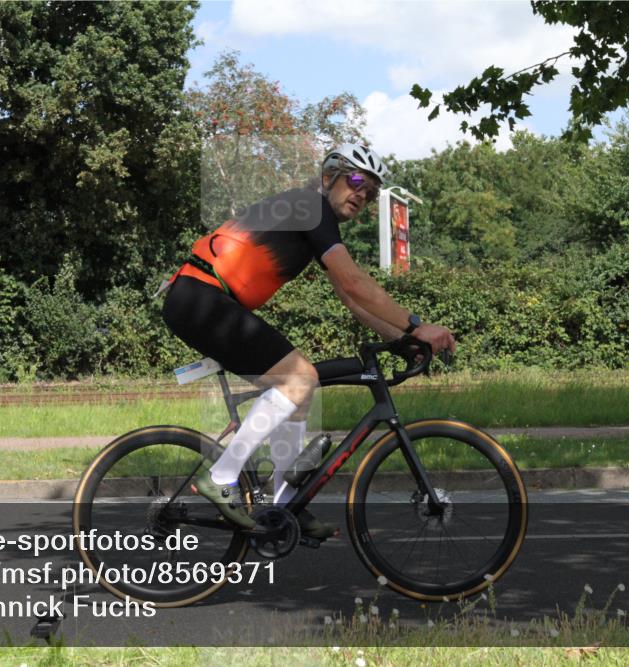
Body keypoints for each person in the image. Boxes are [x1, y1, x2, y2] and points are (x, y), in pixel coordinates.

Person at [161, 143, 456, 539]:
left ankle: (285, 507)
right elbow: (356, 283)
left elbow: (350, 297)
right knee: (299, 378)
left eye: (369, 193)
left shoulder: (315, 220)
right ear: (328, 176)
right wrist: (416, 325)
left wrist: (400, 338)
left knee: (299, 392)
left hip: (206, 301)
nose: (362, 195)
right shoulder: (309, 207)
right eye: (355, 181)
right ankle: (223, 475)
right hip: (200, 296)